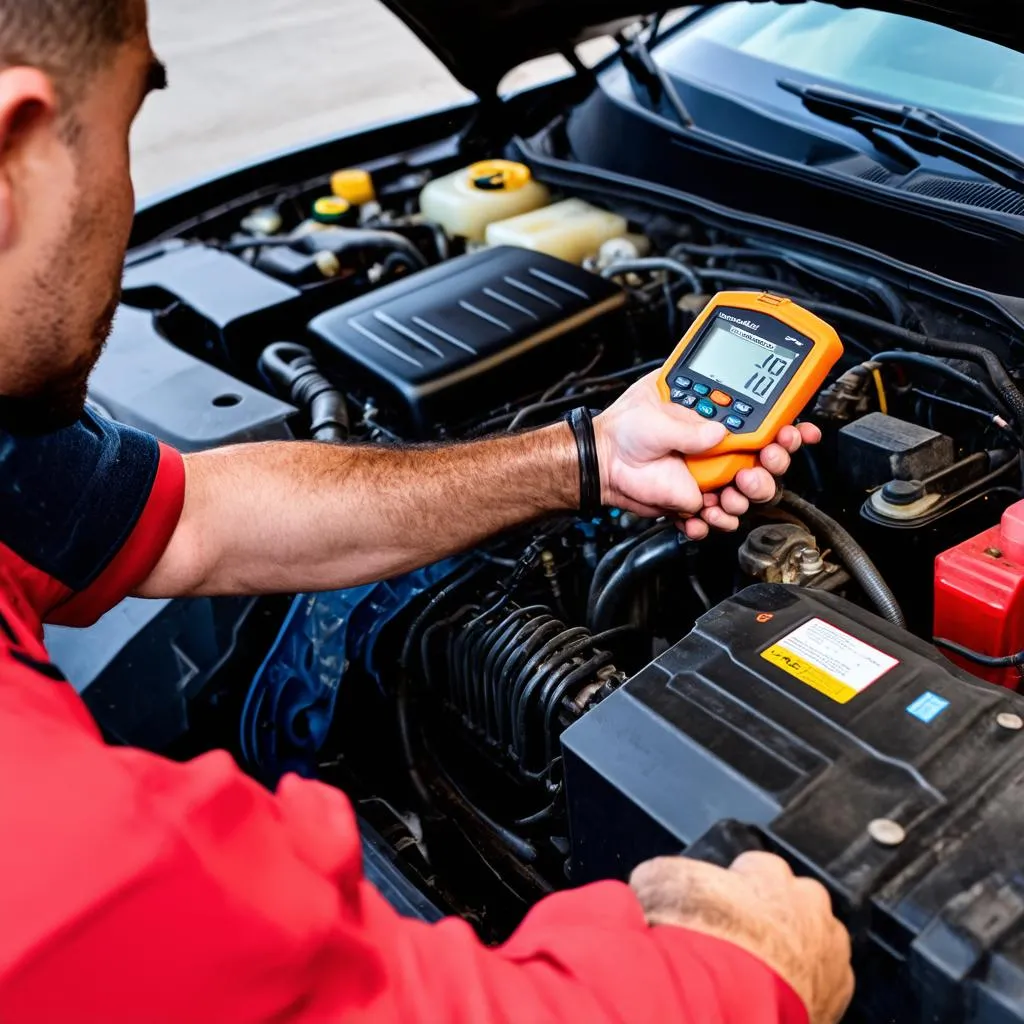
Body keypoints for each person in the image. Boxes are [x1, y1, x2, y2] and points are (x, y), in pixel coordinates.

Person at [0, 2, 854, 1022]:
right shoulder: (69, 869)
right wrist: (747, 968)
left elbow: (193, 518)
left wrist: (585, 457)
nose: (127, 200)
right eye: (126, 131)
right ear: (12, 151)